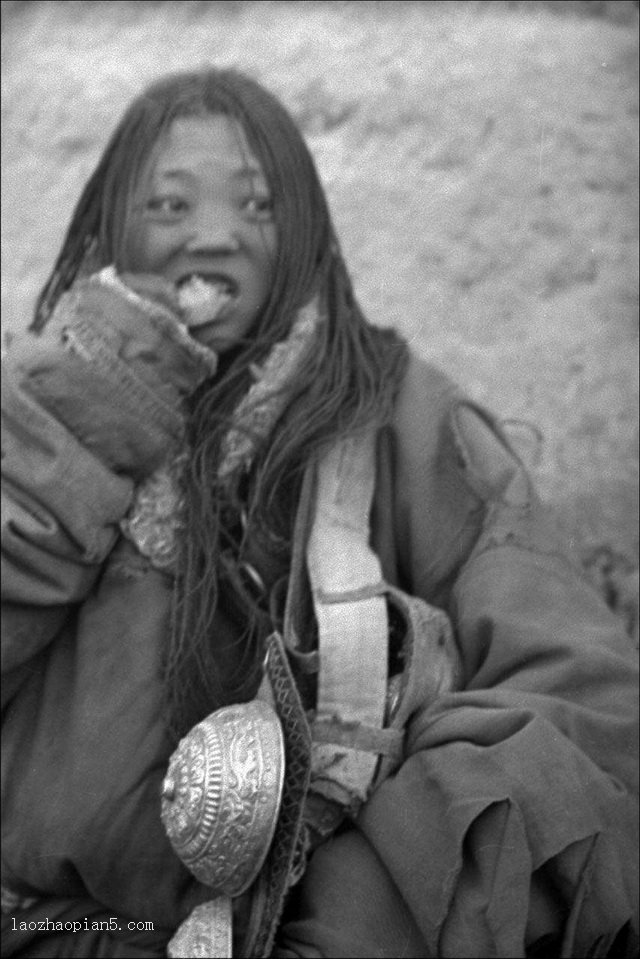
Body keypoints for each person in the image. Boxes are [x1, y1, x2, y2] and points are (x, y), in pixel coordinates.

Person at [1, 66, 638, 959]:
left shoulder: (401, 418)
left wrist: (359, 919)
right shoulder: (39, 406)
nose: (214, 238)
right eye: (169, 207)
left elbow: (586, 707)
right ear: (111, 231)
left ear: (303, 232)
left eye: (257, 208)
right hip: (57, 928)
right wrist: (71, 430)